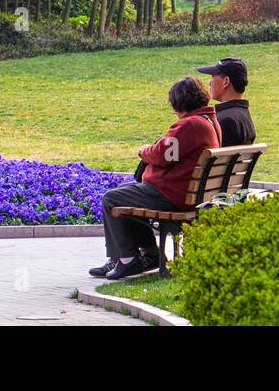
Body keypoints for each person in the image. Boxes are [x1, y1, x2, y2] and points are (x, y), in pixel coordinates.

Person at [92, 77, 222, 280]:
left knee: (111, 198)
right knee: (127, 192)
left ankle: (127, 259)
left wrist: (144, 151)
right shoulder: (208, 121)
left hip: (172, 195)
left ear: (179, 102)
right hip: (187, 192)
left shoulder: (191, 125)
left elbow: (164, 155)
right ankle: (150, 253)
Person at [195, 56, 255, 146]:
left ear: (225, 82)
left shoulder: (225, 121)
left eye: (213, 77)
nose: (210, 83)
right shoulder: (243, 115)